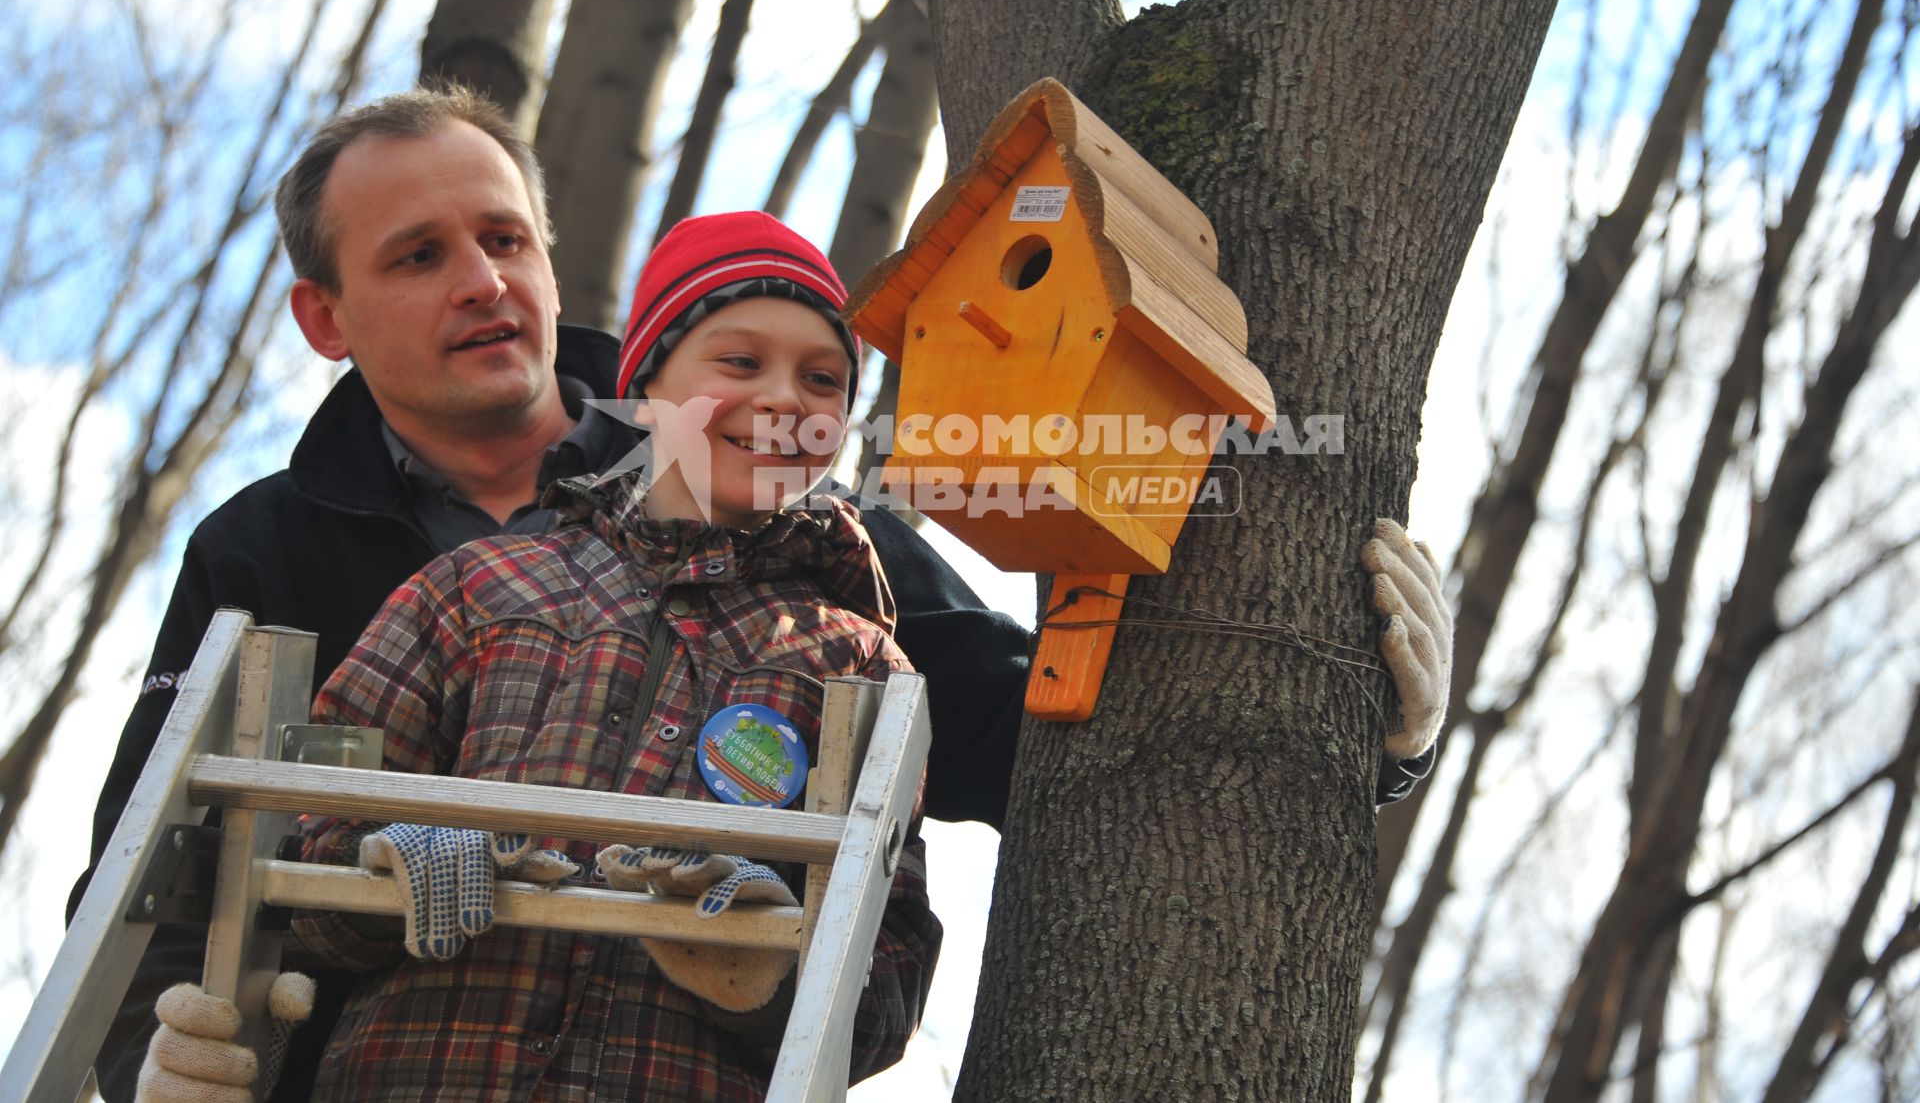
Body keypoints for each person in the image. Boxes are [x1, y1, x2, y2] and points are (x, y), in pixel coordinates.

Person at [69, 85, 1447, 1101]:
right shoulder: (277, 550)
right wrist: (162, 1064)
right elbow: (174, 862)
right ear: (327, 317)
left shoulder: (792, 538)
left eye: (506, 240)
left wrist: (1338, 737)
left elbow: (1004, 727)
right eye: (418, 256)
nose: (484, 283)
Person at [256, 210, 936, 1100]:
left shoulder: (861, 667)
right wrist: (382, 872)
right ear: (646, 385)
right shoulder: (477, 587)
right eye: (739, 362)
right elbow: (285, 863)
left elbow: (887, 976)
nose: (785, 401)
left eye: (823, 379)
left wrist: (762, 983)